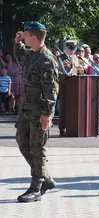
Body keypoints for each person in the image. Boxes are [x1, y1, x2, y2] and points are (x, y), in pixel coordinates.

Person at [13, 21, 59, 202]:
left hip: (39, 111)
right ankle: (45, 177)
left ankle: (37, 185)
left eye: (25, 35)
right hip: (26, 108)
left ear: (33, 37)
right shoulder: (32, 55)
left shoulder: (47, 59)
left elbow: (52, 90)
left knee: (37, 147)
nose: (23, 36)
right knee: (22, 141)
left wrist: (47, 114)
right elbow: (19, 56)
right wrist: (17, 43)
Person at [58, 40, 82, 136]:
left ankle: (73, 127)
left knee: (74, 107)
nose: (72, 51)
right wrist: (66, 76)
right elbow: (57, 72)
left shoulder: (76, 58)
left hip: (75, 85)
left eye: (74, 49)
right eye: (71, 49)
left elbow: (80, 69)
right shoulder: (60, 58)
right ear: (66, 48)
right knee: (63, 106)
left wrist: (80, 72)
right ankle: (62, 128)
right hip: (64, 85)